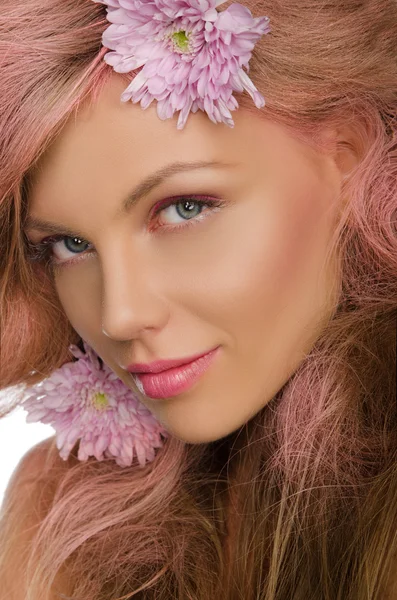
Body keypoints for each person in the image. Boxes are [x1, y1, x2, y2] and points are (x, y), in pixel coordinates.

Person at [0, 0, 396, 598]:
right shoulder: (60, 513)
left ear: (347, 155)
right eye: (67, 245)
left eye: (185, 209)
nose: (121, 315)